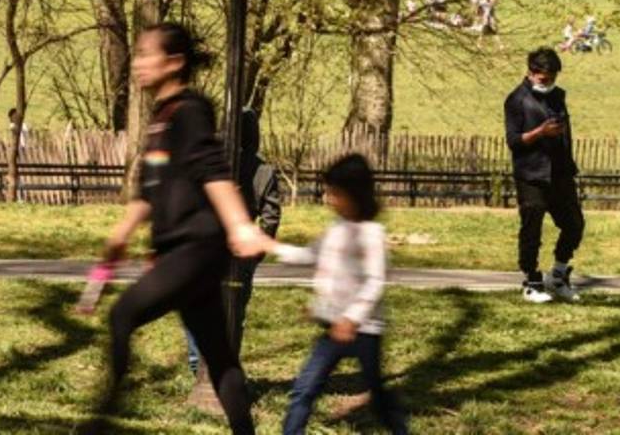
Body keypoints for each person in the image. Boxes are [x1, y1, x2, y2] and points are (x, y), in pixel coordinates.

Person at [90, 23, 266, 435]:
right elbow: (149, 191)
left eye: (146, 54)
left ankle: (101, 424)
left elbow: (212, 170)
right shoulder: (160, 118)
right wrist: (120, 237)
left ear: (174, 63)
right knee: (219, 357)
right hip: (183, 251)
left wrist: (240, 224)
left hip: (197, 247)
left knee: (122, 315)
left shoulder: (190, 111)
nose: (137, 64)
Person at [259, 154, 409, 435]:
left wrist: (352, 318)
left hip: (364, 331)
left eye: (335, 193)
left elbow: (375, 281)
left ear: (355, 194)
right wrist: (269, 245)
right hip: (331, 328)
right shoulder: (335, 230)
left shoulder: (371, 234)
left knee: (378, 398)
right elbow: (308, 255)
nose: (330, 199)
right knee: (304, 389)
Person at [185, 107, 281, 378]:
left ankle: (197, 361)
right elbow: (271, 216)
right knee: (234, 312)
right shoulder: (264, 171)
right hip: (242, 250)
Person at [504, 48, 584, 303]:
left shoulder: (558, 97)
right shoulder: (516, 100)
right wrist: (540, 132)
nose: (547, 83)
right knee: (532, 225)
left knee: (574, 224)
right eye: (543, 78)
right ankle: (531, 280)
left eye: (552, 78)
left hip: (560, 172)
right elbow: (514, 141)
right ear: (531, 73)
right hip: (531, 173)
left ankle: (558, 275)